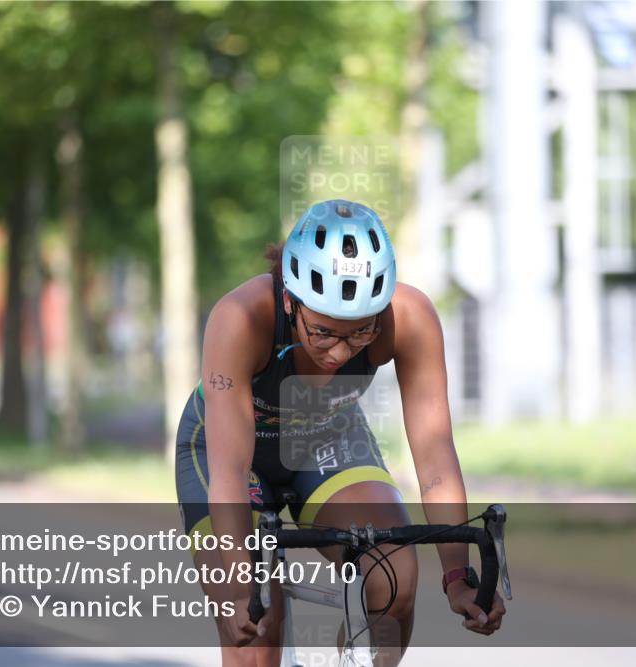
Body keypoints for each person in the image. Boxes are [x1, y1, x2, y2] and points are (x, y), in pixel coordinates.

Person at [175, 199, 505, 666]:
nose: (340, 353)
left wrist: (457, 576)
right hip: (226, 452)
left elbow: (434, 455)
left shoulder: (409, 318)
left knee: (394, 577)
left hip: (326, 437)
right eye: (323, 332)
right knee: (256, 626)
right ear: (290, 301)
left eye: (360, 334)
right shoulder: (241, 319)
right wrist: (238, 582)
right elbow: (229, 470)